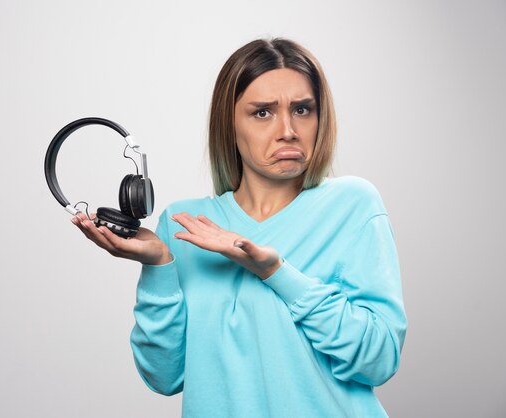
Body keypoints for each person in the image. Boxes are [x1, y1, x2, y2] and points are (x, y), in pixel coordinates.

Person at [72, 38, 407, 418]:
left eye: (302, 109)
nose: (288, 130)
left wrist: (275, 273)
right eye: (262, 113)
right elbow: (164, 378)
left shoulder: (352, 205)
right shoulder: (184, 226)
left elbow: (379, 359)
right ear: (229, 125)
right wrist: (159, 266)